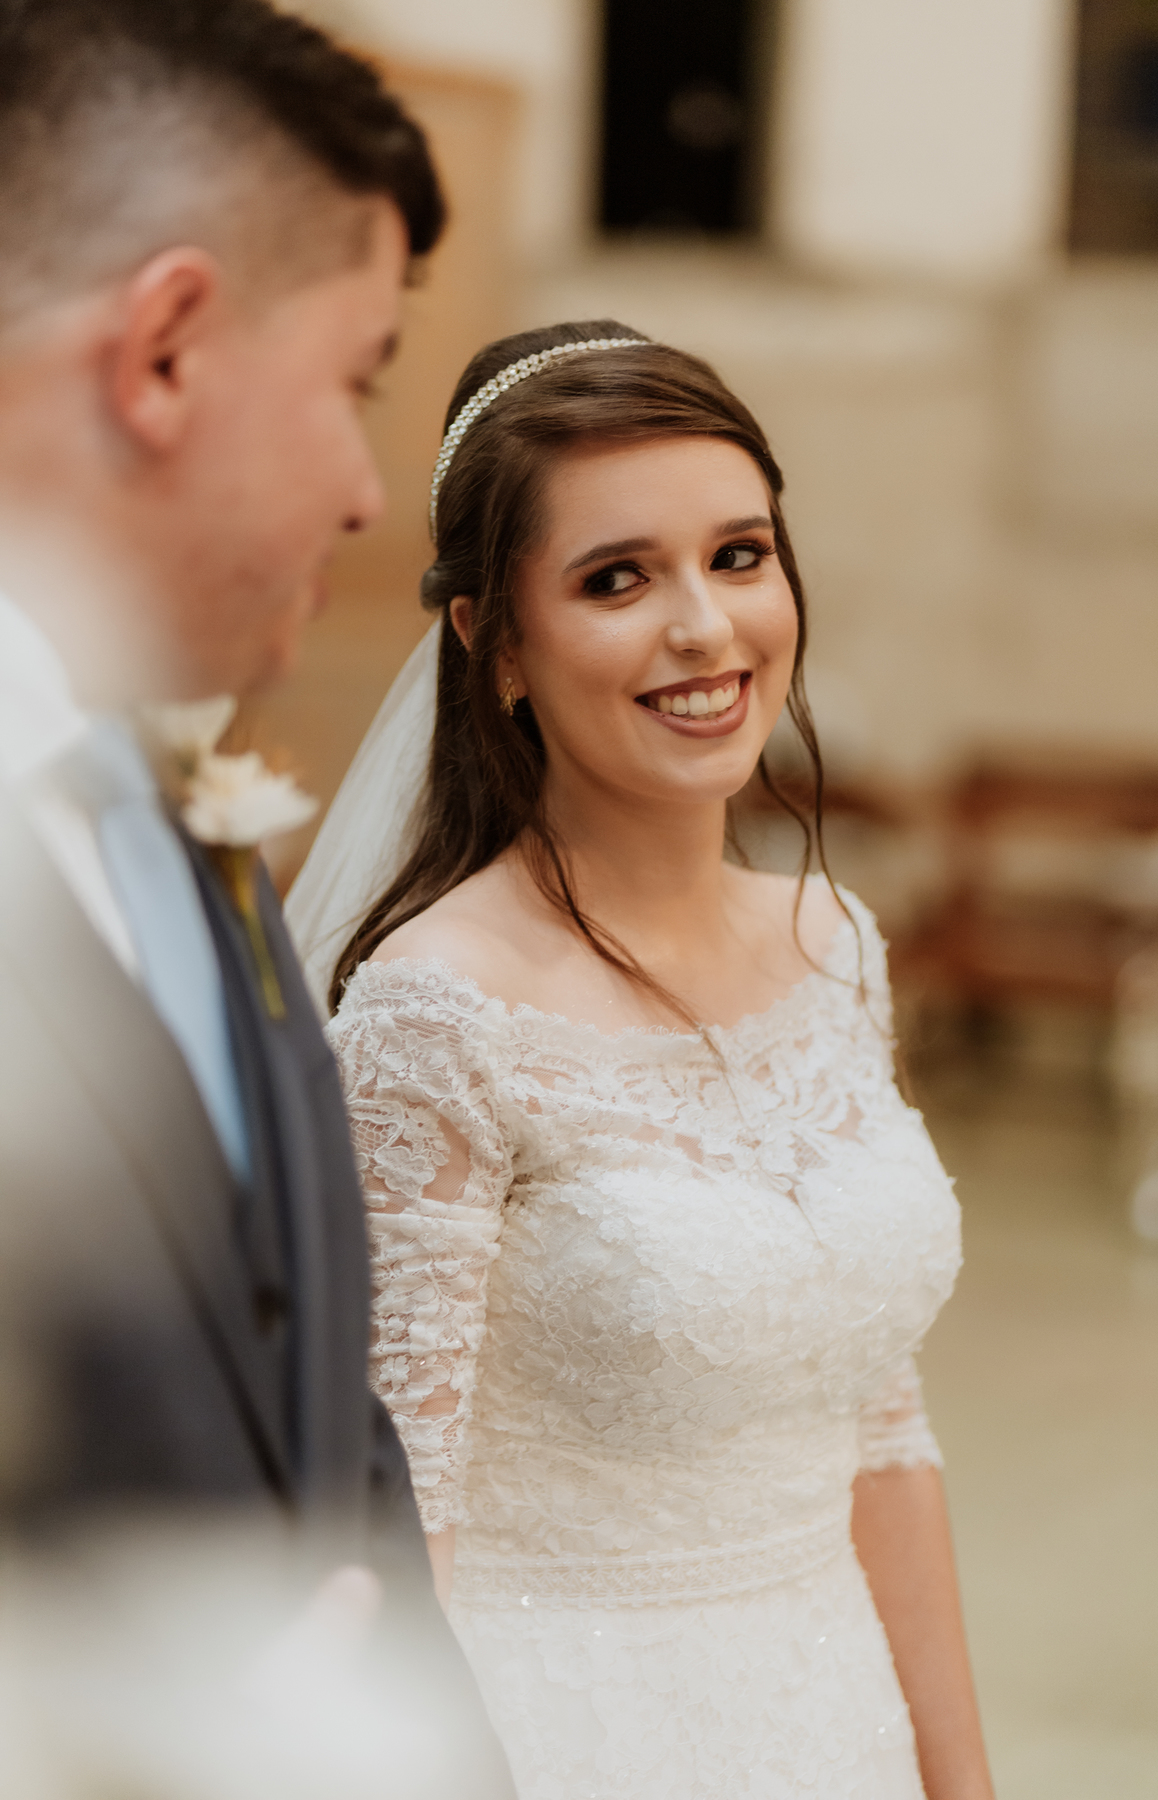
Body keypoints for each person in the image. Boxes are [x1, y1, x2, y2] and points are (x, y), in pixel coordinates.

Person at [289, 321, 995, 1798]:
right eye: (617, 579)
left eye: (740, 556)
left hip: (836, 1725)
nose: (705, 628)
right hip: (558, 1741)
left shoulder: (835, 944)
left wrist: (958, 1781)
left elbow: (883, 1426)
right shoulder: (436, 1014)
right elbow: (396, 1514)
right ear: (494, 645)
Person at [0, 3, 513, 1793]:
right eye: (357, 381)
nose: (371, 495)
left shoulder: (175, 793)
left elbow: (308, 1382)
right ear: (163, 351)